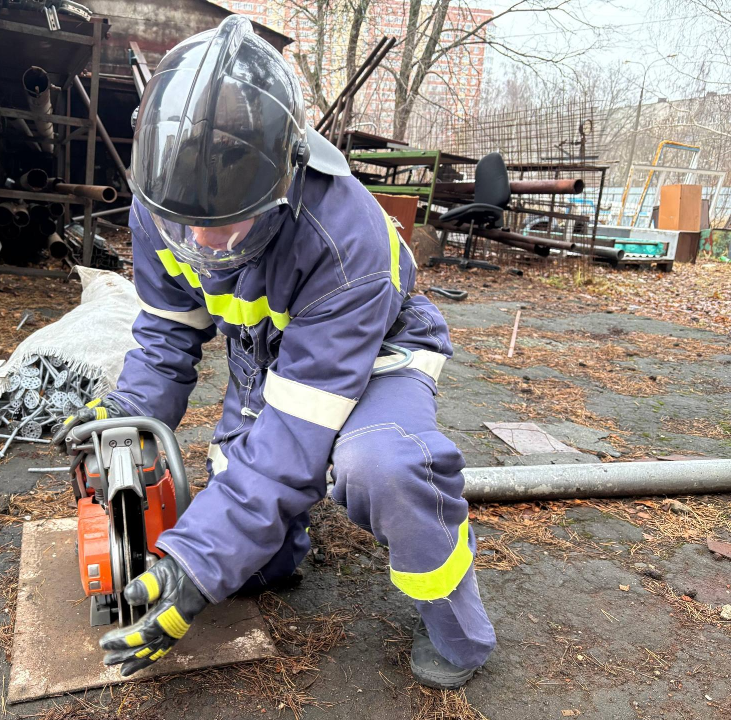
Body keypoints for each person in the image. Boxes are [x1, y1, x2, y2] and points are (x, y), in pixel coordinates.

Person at [57, 15, 496, 689]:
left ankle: (458, 626)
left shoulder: (347, 242)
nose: (201, 245)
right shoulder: (162, 202)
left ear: (285, 179)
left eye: (225, 224)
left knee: (380, 464)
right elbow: (168, 332)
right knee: (254, 553)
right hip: (265, 355)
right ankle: (278, 550)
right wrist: (128, 413)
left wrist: (195, 566)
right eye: (184, 226)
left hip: (377, 350)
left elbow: (295, 432)